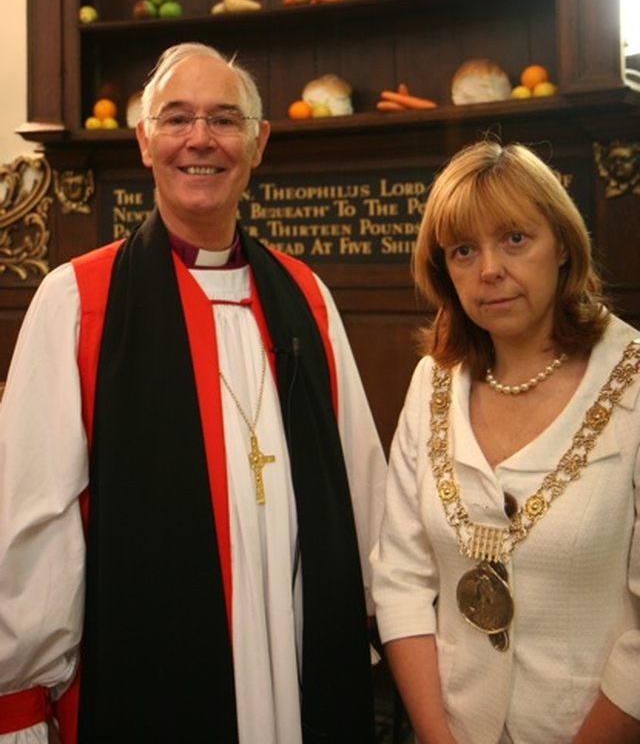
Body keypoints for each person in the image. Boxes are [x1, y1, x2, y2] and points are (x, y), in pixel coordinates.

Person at [0, 42, 387, 744]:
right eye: (177, 119)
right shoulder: (78, 300)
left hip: (299, 654)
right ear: (144, 140)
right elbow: (31, 520)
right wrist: (21, 696)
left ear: (258, 143)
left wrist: (360, 628)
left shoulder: (306, 296)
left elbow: (361, 489)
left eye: (224, 120)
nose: (200, 139)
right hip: (147, 674)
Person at [371, 139, 640, 744]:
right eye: (463, 250)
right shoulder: (434, 381)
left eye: (515, 238)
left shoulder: (632, 383)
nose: (488, 268)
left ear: (564, 248)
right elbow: (401, 580)